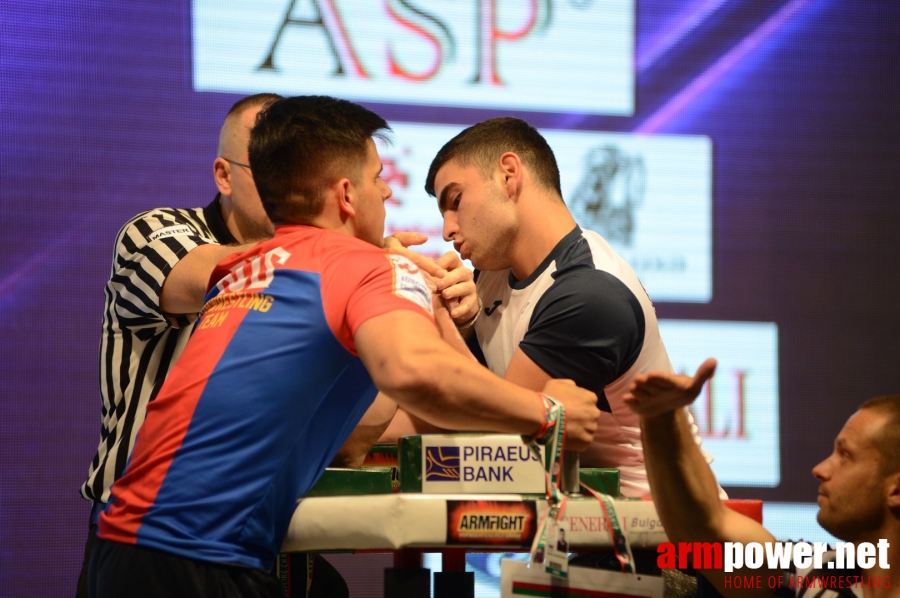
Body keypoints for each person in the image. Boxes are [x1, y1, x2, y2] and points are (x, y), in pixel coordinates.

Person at [87, 95, 601, 597]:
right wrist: (546, 412)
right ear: (347, 195)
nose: (387, 196)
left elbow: (358, 435)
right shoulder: (367, 267)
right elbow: (415, 374)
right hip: (198, 557)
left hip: (124, 548)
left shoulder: (248, 264)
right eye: (379, 179)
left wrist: (428, 305)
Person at [396, 116, 717, 498]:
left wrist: (421, 297)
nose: (447, 229)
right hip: (585, 530)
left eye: (455, 201)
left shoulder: (587, 294)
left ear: (508, 175)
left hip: (664, 538)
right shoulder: (490, 276)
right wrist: (459, 322)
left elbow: (489, 431)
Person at [76, 93, 282, 597]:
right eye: (271, 169)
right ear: (224, 175)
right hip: (146, 536)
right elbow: (208, 276)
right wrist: (350, 257)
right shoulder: (154, 233)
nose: (290, 188)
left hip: (262, 536)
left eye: (301, 170)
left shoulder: (324, 270)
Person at [624, 359, 900, 598]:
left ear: (896, 490)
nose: (820, 469)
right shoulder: (810, 572)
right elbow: (705, 527)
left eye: (846, 455)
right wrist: (660, 417)